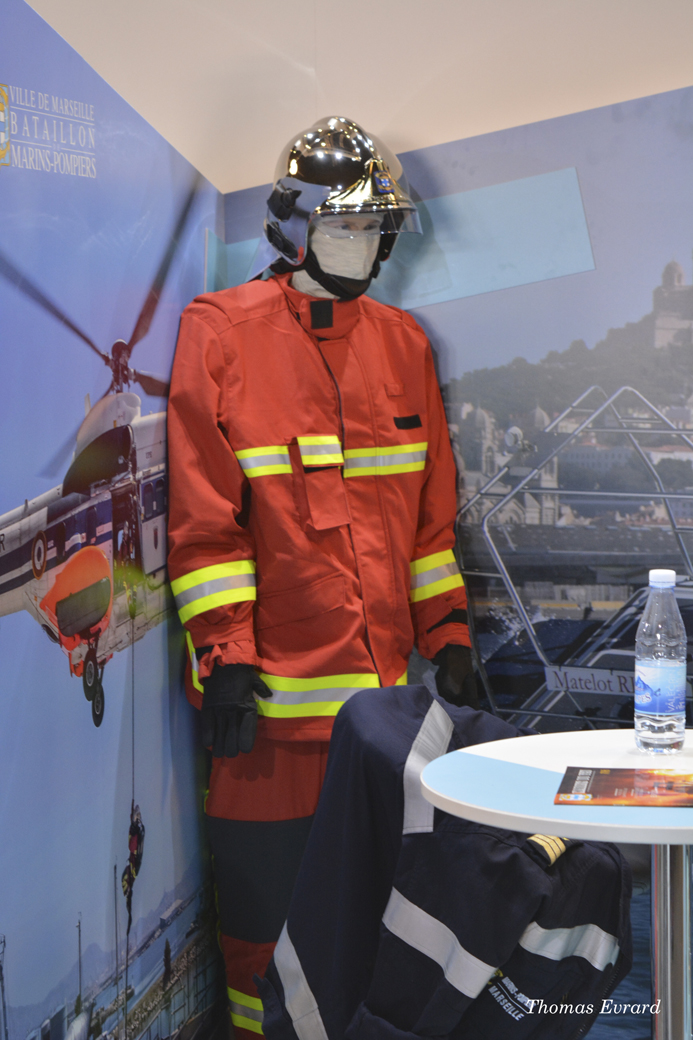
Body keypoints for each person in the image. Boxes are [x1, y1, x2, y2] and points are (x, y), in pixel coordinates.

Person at [167, 116, 476, 1037]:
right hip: (267, 718)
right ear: (294, 227)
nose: (362, 244)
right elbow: (204, 515)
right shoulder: (221, 333)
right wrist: (224, 655)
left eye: (374, 228)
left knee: (375, 928)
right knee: (262, 937)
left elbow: (427, 524)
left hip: (384, 719)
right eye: (344, 225)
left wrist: (449, 636)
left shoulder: (403, 344)